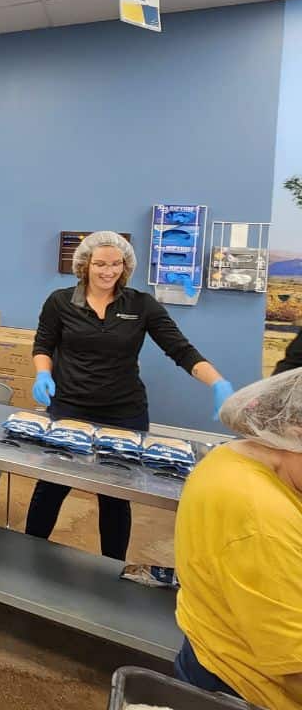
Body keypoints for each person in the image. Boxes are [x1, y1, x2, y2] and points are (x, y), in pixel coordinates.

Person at [25, 231, 234, 560]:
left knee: (115, 495)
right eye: (100, 264)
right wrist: (42, 372)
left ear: (125, 265)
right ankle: (28, 553)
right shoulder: (60, 301)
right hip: (70, 407)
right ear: (85, 265)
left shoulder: (141, 304)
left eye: (115, 264)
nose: (108, 271)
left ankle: (112, 568)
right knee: (51, 486)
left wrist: (219, 384)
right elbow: (43, 344)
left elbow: (179, 349)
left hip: (124, 412)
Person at [174, 370, 302, 708]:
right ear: (293, 433)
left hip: (210, 644)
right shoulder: (262, 519)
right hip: (243, 685)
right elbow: (295, 668)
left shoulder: (230, 457)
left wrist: (215, 379)